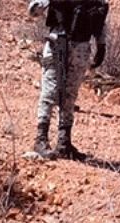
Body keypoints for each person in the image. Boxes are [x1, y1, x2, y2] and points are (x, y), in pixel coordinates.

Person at [28, 0, 109, 160]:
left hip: (81, 47)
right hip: (58, 43)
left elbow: (100, 18)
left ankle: (64, 143)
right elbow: (33, 11)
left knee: (70, 95)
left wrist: (101, 45)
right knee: (49, 92)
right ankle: (41, 139)